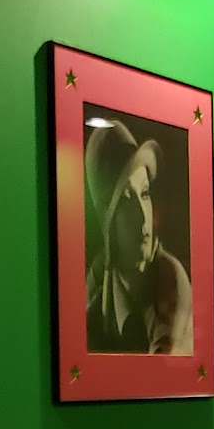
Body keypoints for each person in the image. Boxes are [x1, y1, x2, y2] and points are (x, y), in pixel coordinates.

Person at [84, 117, 193, 356]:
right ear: (108, 221)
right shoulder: (96, 298)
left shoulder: (171, 281)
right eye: (126, 200)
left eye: (144, 193)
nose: (143, 217)